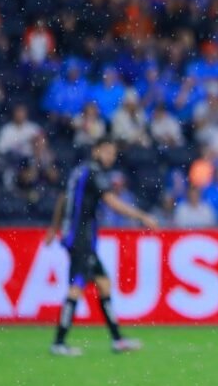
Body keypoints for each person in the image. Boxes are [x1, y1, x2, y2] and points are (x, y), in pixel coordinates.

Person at [43, 138, 159, 356]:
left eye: (113, 154)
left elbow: (62, 198)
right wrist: (141, 216)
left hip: (76, 235)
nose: (110, 157)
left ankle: (117, 340)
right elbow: (111, 202)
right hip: (81, 239)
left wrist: (54, 228)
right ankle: (58, 343)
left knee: (103, 284)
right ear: (96, 151)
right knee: (76, 287)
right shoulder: (95, 173)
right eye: (107, 152)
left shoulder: (79, 171)